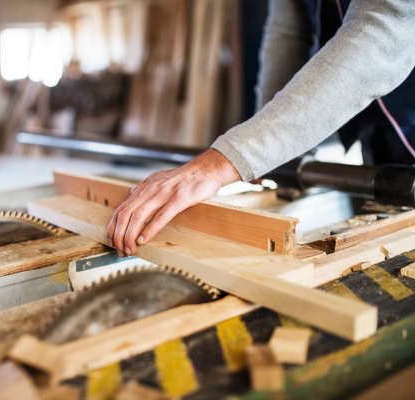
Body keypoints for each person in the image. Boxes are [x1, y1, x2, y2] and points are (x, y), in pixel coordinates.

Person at [107, 0, 415, 258]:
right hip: (382, 130)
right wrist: (270, 153)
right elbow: (289, 30)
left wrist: (222, 163)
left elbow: (382, 30)